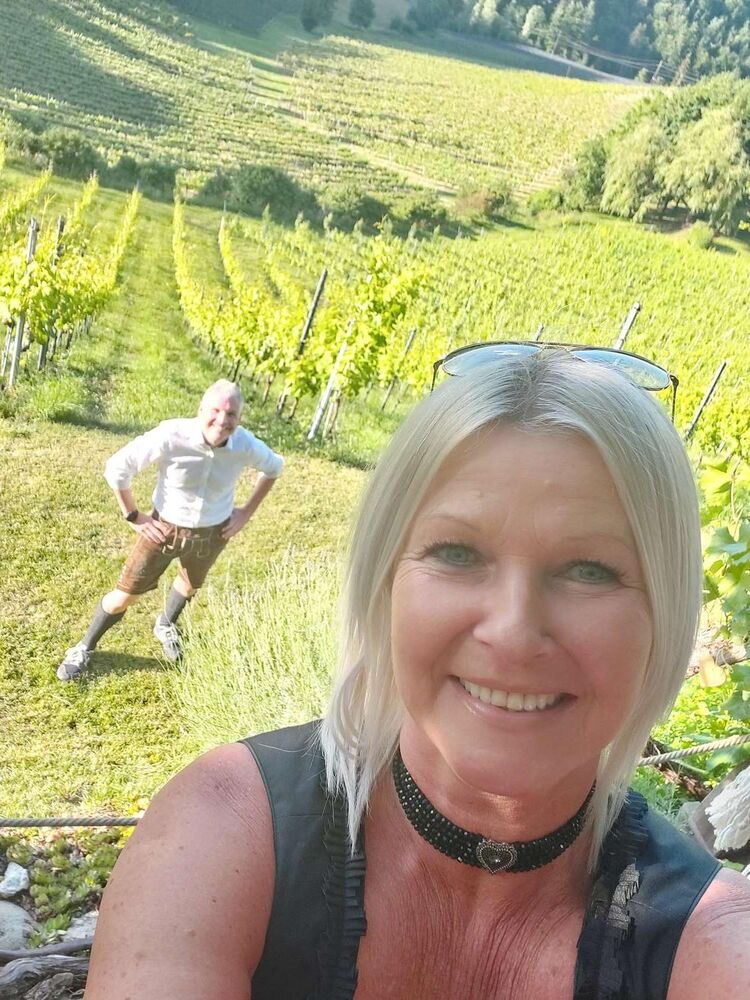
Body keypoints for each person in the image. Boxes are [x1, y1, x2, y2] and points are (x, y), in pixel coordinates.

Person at [84, 347, 750, 998]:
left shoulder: (716, 940)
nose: (513, 633)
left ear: (664, 611)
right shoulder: (219, 832)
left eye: (589, 569)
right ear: (385, 580)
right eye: (457, 553)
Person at [57, 380, 283, 681]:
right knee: (124, 596)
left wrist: (246, 512)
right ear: (201, 410)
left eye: (231, 414)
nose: (222, 420)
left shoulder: (246, 444)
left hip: (213, 532)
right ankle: (84, 647)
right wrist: (133, 515)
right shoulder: (172, 435)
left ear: (239, 419)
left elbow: (274, 467)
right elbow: (117, 468)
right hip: (163, 531)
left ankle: (165, 624)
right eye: (215, 411)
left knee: (189, 585)